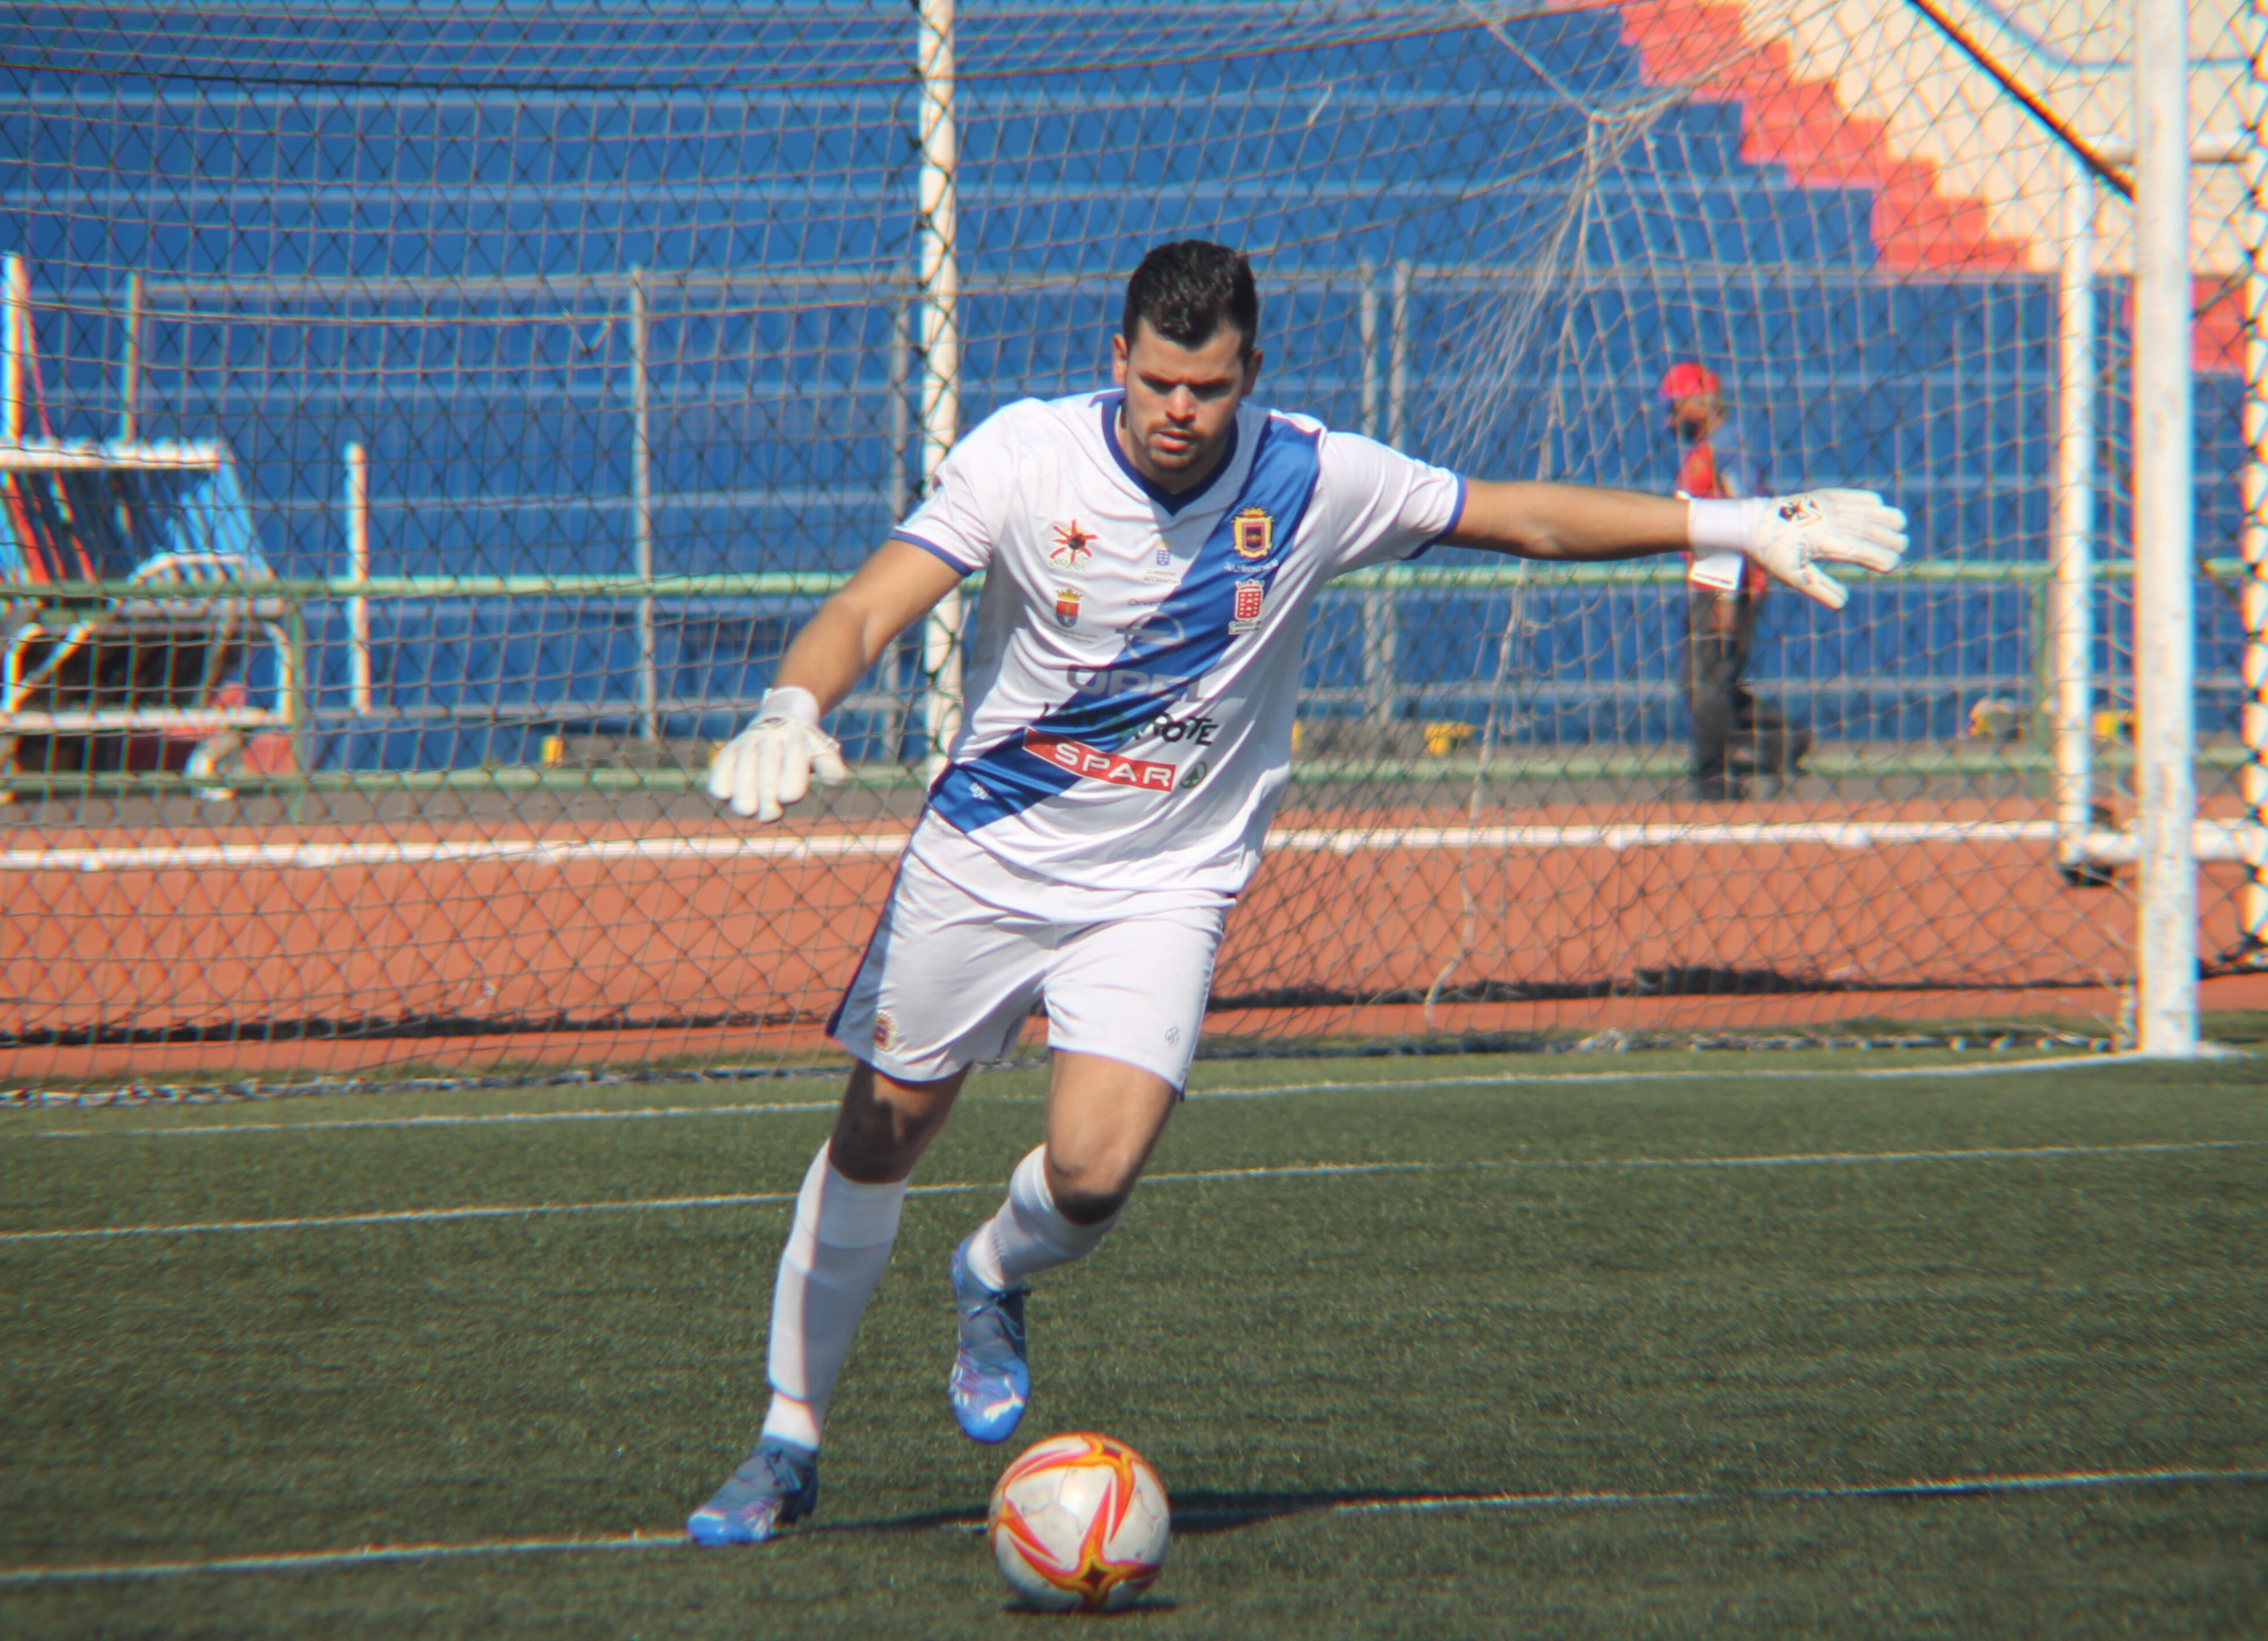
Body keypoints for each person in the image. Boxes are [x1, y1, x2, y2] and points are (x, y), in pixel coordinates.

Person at [685, 242, 1905, 1544]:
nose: (1176, 410)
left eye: (1206, 388)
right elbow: (875, 602)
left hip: (1163, 884)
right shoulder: (1025, 456)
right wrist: (789, 700)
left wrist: (1738, 522)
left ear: (1248, 375)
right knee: (880, 1133)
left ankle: (989, 1268)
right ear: (1118, 359)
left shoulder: (1315, 475)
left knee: (1093, 1175)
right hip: (985, 856)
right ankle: (786, 1438)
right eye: (1156, 380)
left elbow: (1522, 517)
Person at [1663, 361, 1811, 800]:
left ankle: (1715, 778)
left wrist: (1730, 596)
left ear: (1700, 403)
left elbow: (1745, 519)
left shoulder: (1726, 447)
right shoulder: (1710, 447)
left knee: (1706, 682)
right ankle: (1782, 740)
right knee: (1704, 681)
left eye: (1678, 406)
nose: (1672, 419)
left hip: (1730, 581)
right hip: (1711, 578)